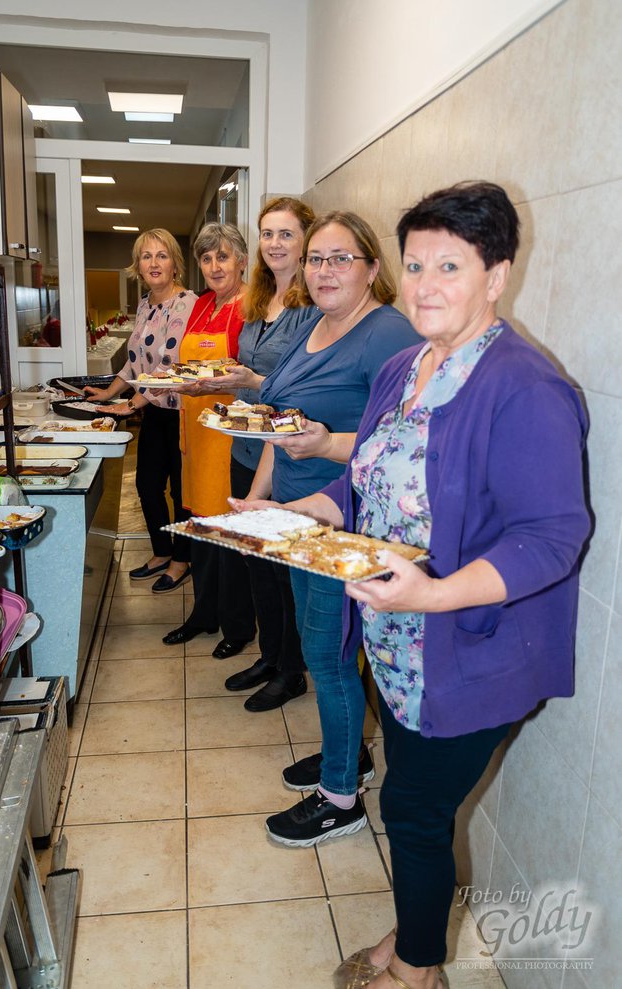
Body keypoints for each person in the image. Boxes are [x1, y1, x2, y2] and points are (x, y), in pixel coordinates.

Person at [237, 183, 590, 989]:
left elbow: (553, 538)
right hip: (398, 643)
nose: (427, 284)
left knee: (415, 814)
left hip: (471, 649)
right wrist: (295, 512)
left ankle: (417, 970)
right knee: (410, 805)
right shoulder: (403, 368)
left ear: (496, 275)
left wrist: (429, 593)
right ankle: (412, 935)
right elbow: (363, 482)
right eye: (417, 263)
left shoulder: (526, 388)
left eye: (451, 266)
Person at [231, 210, 420, 845]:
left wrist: (327, 446)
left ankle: (341, 798)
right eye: (316, 258)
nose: (323, 270)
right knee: (324, 651)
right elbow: (277, 422)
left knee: (328, 656)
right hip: (293, 517)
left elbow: (398, 446)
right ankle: (351, 756)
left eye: (341, 258)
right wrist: (257, 500)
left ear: (372, 268)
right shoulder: (312, 322)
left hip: (345, 521)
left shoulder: (387, 334)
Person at [199, 196, 317, 710]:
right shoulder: (259, 298)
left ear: (306, 241)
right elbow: (249, 369)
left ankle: (291, 671)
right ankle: (270, 656)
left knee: (284, 571)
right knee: (256, 565)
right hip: (245, 446)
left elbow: (304, 389)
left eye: (285, 234)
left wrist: (252, 379)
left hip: (287, 455)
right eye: (267, 233)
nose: (274, 244)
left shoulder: (313, 305)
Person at [163, 223, 256, 658]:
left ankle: (237, 626)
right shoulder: (201, 304)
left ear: (241, 259)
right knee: (200, 528)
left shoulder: (251, 306)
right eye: (206, 258)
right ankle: (204, 614)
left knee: (227, 534)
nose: (215, 266)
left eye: (223, 256)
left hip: (227, 435)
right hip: (195, 433)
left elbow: (252, 377)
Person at [86, 228, 197, 592]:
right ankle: (161, 552)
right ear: (138, 265)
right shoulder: (146, 305)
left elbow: (169, 365)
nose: (153, 263)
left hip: (181, 415)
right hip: (154, 412)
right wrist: (107, 393)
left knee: (181, 494)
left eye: (161, 255)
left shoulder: (187, 304)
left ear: (174, 263)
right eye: (146, 256)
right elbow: (135, 364)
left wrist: (131, 404)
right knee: (147, 486)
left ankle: (182, 560)